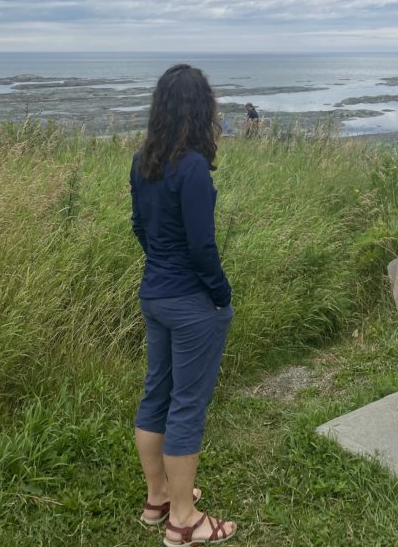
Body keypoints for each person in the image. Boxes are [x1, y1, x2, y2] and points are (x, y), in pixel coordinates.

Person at [131, 64, 237, 545]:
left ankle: (157, 500)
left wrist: (160, 263)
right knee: (187, 405)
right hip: (191, 302)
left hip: (154, 293)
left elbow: (140, 227)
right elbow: (201, 246)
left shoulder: (143, 162)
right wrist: (220, 295)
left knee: (157, 394)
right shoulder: (191, 166)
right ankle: (183, 520)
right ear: (201, 110)